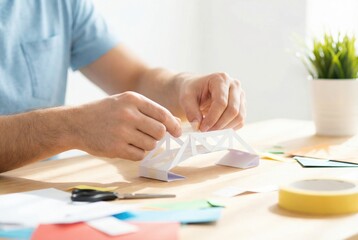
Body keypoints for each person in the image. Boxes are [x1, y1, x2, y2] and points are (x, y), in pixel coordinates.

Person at [0, 0, 246, 173]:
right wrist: (71, 127)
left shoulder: (58, 4)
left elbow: (136, 78)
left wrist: (185, 85)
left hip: (43, 191)